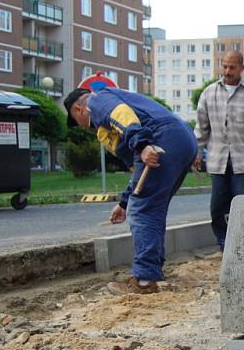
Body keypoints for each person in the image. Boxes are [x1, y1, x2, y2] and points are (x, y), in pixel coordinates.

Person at [64, 86, 197, 295]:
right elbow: (138, 170)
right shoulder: (107, 126)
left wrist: (143, 144)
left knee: (144, 211)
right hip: (181, 138)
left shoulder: (96, 101)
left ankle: (144, 281)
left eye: (76, 120)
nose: (81, 127)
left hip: (160, 138)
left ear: (79, 110)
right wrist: (124, 202)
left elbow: (121, 114)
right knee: (152, 208)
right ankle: (150, 271)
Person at [194, 51, 244, 250]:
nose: (227, 71)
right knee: (217, 207)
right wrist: (196, 152)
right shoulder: (209, 93)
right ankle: (224, 243)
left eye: (232, 67)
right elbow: (201, 127)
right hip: (218, 160)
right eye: (225, 66)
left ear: (242, 69)